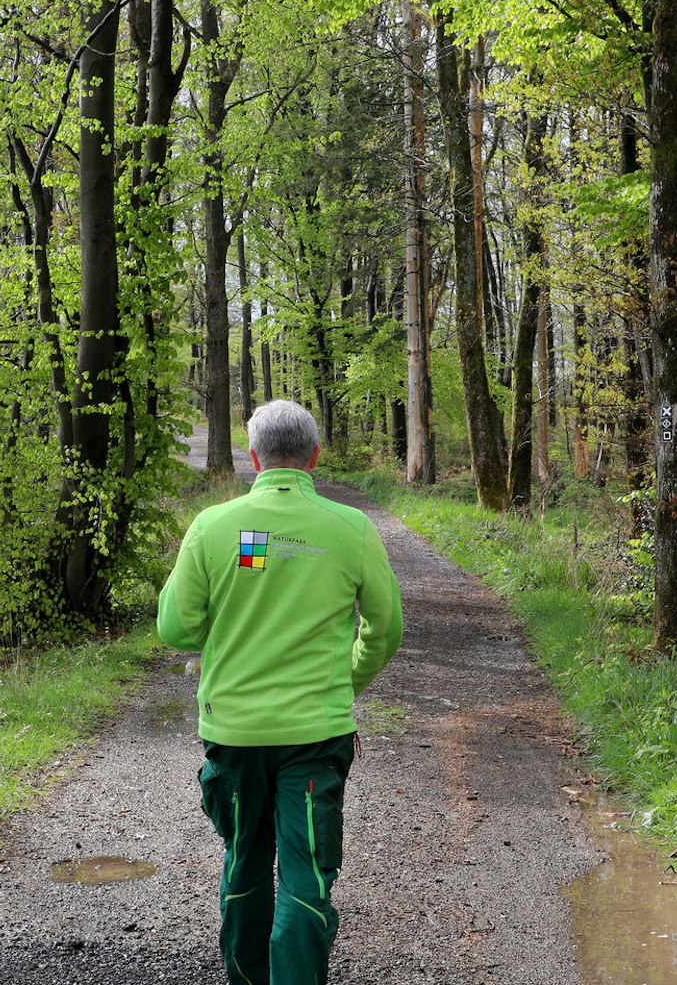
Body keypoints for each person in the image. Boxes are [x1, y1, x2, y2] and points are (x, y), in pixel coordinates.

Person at [158, 400, 404, 985]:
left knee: (244, 863)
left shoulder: (215, 527)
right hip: (315, 740)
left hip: (234, 737)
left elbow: (175, 627)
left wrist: (233, 614)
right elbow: (385, 627)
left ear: (253, 456)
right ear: (315, 457)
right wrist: (348, 682)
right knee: (307, 876)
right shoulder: (351, 529)